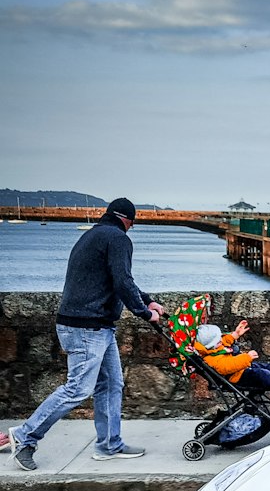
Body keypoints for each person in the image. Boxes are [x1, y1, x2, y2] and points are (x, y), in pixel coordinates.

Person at [3, 197, 165, 471]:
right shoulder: (118, 238)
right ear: (128, 220)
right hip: (86, 327)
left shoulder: (92, 236)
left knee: (111, 384)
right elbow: (123, 281)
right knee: (77, 388)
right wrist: (144, 312)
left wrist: (147, 300)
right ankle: (24, 437)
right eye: (132, 224)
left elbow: (119, 279)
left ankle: (109, 445)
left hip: (94, 326)